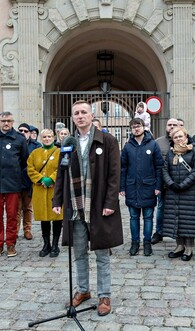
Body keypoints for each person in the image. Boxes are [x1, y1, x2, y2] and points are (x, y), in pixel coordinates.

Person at [52, 100, 123, 317]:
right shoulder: (68, 142)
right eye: (76, 113)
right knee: (79, 252)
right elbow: (61, 173)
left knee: (102, 252)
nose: (80, 116)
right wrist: (57, 201)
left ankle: (104, 295)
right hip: (76, 207)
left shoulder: (108, 141)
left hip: (99, 206)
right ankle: (83, 290)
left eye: (84, 112)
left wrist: (111, 203)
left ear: (92, 116)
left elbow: (114, 175)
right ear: (72, 118)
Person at [0, 112, 29, 258]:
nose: (6, 124)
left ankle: (11, 243)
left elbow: (24, 160)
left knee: (12, 215)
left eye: (8, 121)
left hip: (12, 183)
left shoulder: (19, 139)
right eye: (3, 121)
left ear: (13, 122)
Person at [120, 118, 164, 256]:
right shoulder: (127, 146)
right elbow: (123, 168)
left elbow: (159, 167)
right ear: (131, 130)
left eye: (138, 126)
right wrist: (122, 187)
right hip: (132, 186)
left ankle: (147, 243)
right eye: (133, 127)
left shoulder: (153, 145)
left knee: (148, 217)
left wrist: (158, 185)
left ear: (144, 127)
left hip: (148, 186)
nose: (136, 129)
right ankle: (134, 243)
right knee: (133, 217)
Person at [162, 126, 195, 261]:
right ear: (172, 140)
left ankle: (189, 248)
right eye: (175, 137)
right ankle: (179, 246)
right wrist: (171, 184)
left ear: (185, 136)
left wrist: (183, 185)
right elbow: (164, 170)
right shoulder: (171, 153)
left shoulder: (194, 151)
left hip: (189, 191)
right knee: (176, 219)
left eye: (180, 136)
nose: (178, 139)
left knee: (188, 220)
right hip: (173, 191)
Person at [27, 129, 63, 257]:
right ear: (41, 139)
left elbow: (62, 167)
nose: (47, 139)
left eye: (49, 136)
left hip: (55, 189)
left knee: (57, 217)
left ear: (53, 138)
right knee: (44, 218)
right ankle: (46, 244)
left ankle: (55, 244)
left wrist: (52, 179)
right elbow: (30, 168)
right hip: (40, 189)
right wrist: (41, 179)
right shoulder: (35, 153)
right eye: (44, 137)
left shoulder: (59, 152)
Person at [151, 118, 179, 245]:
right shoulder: (158, 142)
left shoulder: (183, 140)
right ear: (166, 126)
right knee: (161, 207)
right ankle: (159, 232)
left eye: (174, 125)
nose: (171, 127)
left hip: (179, 181)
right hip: (162, 181)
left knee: (179, 208)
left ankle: (179, 232)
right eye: (169, 125)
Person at [17, 123, 42, 240]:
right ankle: (14, 231)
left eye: (25, 131)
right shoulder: (14, 143)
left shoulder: (36, 146)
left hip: (29, 181)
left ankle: (27, 229)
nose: (22, 133)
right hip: (15, 181)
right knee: (15, 209)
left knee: (28, 208)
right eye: (20, 131)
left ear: (29, 133)